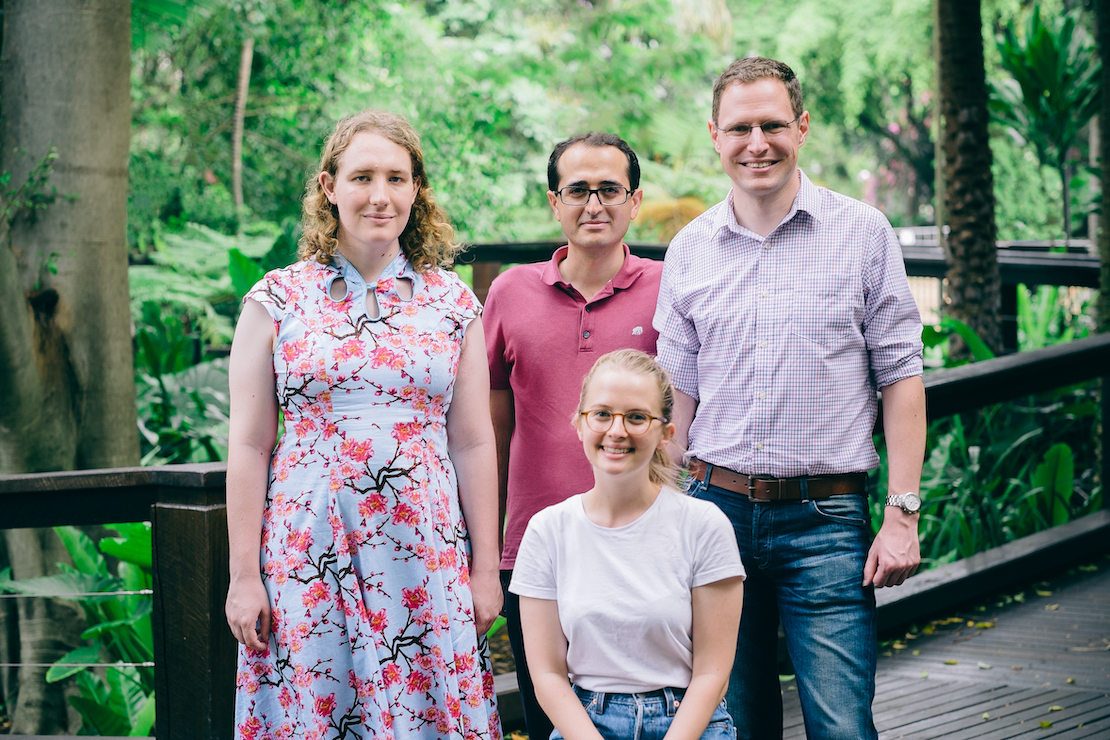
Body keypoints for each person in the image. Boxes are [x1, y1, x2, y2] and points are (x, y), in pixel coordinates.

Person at [653, 57, 927, 740]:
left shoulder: (863, 232)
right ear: (714, 135)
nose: (757, 143)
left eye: (772, 124)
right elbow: (676, 398)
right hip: (713, 513)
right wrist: (660, 518)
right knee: (736, 727)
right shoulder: (688, 249)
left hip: (826, 519)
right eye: (739, 127)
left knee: (841, 727)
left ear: (800, 128)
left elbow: (901, 376)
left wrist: (902, 515)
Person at [224, 109, 502, 740]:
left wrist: (484, 568)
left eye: (397, 179)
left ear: (416, 190)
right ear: (329, 186)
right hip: (308, 553)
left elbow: (474, 440)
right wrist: (245, 576)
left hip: (424, 558)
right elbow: (247, 445)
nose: (381, 195)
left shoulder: (453, 303)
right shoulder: (276, 299)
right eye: (362, 177)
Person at [484, 132, 663, 739]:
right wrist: (484, 544)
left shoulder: (669, 289)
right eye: (578, 190)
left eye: (610, 189)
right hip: (535, 549)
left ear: (634, 201)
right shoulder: (509, 292)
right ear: (554, 202)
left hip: (646, 544)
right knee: (548, 719)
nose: (595, 205)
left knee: (651, 713)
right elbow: (490, 428)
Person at [510, 349, 746, 740]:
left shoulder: (703, 526)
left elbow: (712, 673)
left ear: (664, 434)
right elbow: (548, 675)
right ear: (580, 424)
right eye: (602, 414)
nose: (616, 430)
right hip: (585, 724)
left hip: (687, 722)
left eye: (636, 417)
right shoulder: (547, 531)